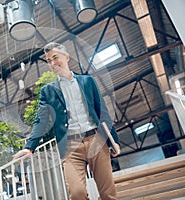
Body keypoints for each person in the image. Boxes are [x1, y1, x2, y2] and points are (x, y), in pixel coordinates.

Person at [14, 42, 120, 200]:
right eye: (49, 61)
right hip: (70, 146)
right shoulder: (47, 91)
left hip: (96, 139)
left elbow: (102, 112)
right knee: (76, 193)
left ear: (67, 57)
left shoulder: (87, 81)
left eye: (55, 58)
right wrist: (30, 147)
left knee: (108, 193)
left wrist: (114, 140)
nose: (52, 63)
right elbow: (41, 121)